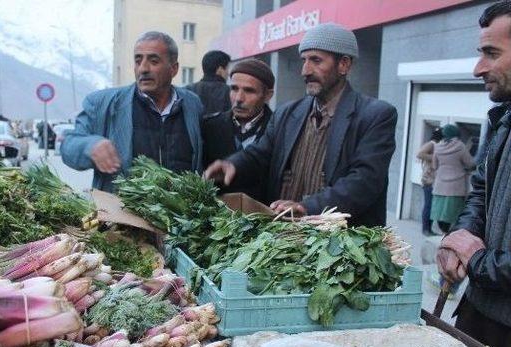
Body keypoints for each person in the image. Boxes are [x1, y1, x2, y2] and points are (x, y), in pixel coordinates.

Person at [203, 23, 397, 227]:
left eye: (316, 60)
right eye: (303, 60)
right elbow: (260, 153)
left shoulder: (375, 115)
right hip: (285, 236)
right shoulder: (288, 113)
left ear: (344, 65)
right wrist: (233, 164)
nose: (305, 70)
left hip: (341, 243)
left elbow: (364, 182)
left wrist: (307, 207)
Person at [437, 1, 511, 347]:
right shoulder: (503, 120)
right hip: (477, 316)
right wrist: (460, 239)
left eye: (490, 53)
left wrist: (479, 262)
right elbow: (481, 191)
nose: (478, 68)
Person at [60, 31, 204, 192]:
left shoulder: (192, 104)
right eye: (138, 60)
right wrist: (89, 146)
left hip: (179, 214)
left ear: (174, 69)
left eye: (154, 61)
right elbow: (68, 145)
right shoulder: (101, 104)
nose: (143, 68)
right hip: (121, 214)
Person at [201, 59, 275, 200]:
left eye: (249, 90)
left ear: (268, 95)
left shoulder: (280, 130)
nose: (239, 98)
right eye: (234, 89)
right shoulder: (210, 126)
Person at [430, 124, 475, 234]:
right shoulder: (460, 146)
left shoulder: (438, 146)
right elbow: (470, 163)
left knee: (440, 213)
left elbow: (434, 165)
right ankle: (450, 235)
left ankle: (443, 233)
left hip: (440, 185)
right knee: (454, 214)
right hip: (456, 186)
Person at [417, 127, 443, 236]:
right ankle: (425, 229)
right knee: (429, 205)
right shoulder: (432, 144)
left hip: (434, 180)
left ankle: (429, 229)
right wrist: (435, 157)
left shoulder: (436, 145)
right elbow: (419, 154)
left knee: (432, 206)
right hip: (428, 180)